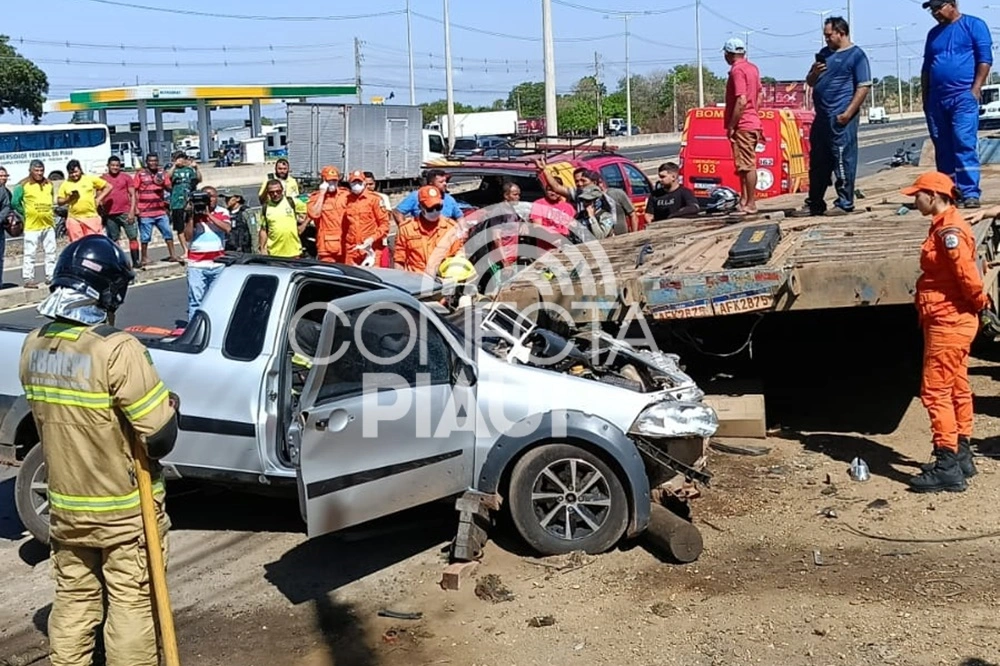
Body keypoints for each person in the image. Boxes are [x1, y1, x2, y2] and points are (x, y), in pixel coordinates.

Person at [19, 235, 179, 666]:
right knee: (131, 600)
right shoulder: (115, 348)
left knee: (73, 597)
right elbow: (160, 435)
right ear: (110, 291)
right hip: (123, 509)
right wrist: (170, 406)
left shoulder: (33, 344)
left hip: (66, 507)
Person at [903, 172, 989, 493]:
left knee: (935, 391)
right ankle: (961, 452)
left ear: (934, 196)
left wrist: (978, 303)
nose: (914, 201)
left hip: (947, 320)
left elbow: (968, 277)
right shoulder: (945, 225)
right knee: (956, 386)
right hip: (951, 319)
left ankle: (946, 464)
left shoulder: (949, 231)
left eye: (918, 195)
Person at [922, 0, 993, 208]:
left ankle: (970, 192)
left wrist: (975, 89)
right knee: (942, 146)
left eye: (938, 8)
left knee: (963, 142)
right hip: (937, 99)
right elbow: (926, 68)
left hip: (962, 96)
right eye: (932, 10)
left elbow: (985, 59)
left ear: (952, 4)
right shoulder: (933, 34)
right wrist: (926, 98)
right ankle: (949, 191)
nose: (935, 13)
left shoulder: (973, 25)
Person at [802, 16, 872, 217]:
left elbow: (863, 86)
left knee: (842, 159)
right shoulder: (824, 54)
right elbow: (810, 81)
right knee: (818, 161)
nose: (826, 39)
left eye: (829, 35)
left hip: (841, 117)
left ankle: (844, 202)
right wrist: (814, 72)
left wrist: (848, 113)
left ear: (841, 33)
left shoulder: (856, 55)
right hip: (822, 117)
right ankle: (815, 202)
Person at [723, 37, 763, 215]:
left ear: (729, 54)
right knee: (742, 165)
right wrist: (754, 111)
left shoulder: (737, 71)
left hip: (743, 124)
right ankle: (744, 200)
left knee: (747, 165)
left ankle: (751, 203)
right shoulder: (752, 68)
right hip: (752, 121)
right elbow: (759, 95)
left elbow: (741, 99)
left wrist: (732, 125)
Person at [394, 185, 465, 275]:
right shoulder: (406, 229)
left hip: (443, 281)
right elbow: (399, 259)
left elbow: (459, 254)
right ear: (420, 207)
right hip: (416, 280)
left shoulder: (451, 228)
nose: (435, 211)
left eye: (438, 207)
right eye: (430, 209)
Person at [184, 186, 231, 321]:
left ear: (216, 198)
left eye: (212, 196)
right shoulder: (192, 214)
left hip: (217, 264)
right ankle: (194, 330)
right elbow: (188, 237)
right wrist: (192, 217)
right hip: (197, 265)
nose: (209, 199)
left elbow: (227, 228)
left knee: (217, 299)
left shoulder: (222, 212)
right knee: (196, 300)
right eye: (206, 196)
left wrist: (208, 215)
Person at [132, 154, 183, 268]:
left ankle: (172, 255)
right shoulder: (140, 174)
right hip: (145, 211)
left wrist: (167, 182)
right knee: (145, 237)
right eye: (150, 161)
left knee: (168, 233)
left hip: (160, 210)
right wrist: (135, 207)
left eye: (155, 161)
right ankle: (144, 257)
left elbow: (169, 188)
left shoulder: (162, 173)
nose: (153, 163)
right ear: (147, 162)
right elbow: (134, 191)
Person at [19, 160, 57, 288]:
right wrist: (25, 212)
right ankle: (28, 278)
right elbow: (15, 202)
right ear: (30, 170)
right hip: (32, 225)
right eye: (36, 171)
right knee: (30, 253)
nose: (39, 173)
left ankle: (51, 276)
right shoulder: (23, 185)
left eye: (41, 170)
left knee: (51, 251)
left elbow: (51, 198)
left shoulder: (49, 184)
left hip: (48, 224)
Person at [341, 170, 390, 267]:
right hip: (352, 248)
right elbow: (344, 226)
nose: (357, 185)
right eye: (354, 182)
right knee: (351, 279)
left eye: (359, 182)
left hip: (371, 248)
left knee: (371, 278)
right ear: (349, 184)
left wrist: (372, 238)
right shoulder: (346, 200)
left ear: (364, 183)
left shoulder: (374, 199)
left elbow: (385, 225)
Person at [57, 159, 111, 241]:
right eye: (71, 173)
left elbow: (108, 187)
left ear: (80, 170)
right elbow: (59, 201)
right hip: (74, 218)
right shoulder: (65, 184)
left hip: (91, 216)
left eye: (76, 172)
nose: (74, 175)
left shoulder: (89, 179)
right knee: (77, 244)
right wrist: (68, 199)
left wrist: (98, 199)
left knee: (94, 242)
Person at [100, 156, 140, 267]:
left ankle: (136, 261)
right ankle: (120, 262)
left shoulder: (126, 177)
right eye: (112, 165)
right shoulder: (102, 178)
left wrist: (132, 211)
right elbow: (98, 195)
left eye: (117, 165)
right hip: (110, 214)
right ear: (108, 166)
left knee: (132, 237)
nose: (115, 167)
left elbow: (132, 195)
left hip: (125, 212)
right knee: (114, 240)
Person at [393, 169, 464, 227]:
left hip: (442, 239)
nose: (445, 184)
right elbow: (397, 212)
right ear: (431, 183)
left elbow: (460, 217)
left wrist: (463, 232)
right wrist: (404, 229)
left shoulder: (449, 199)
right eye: (441, 182)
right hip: (421, 238)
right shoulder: (416, 195)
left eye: (445, 181)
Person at [259, 178, 309, 258]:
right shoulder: (266, 207)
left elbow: (311, 211)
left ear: (282, 190)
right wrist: (262, 248)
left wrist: (303, 225)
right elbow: (263, 230)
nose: (275, 194)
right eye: (272, 192)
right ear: (268, 193)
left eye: (278, 191)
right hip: (275, 254)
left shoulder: (292, 202)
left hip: (294, 252)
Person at [306, 166, 345, 263]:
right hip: (327, 248)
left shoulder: (345, 195)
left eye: (334, 181)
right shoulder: (315, 197)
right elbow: (314, 214)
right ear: (323, 181)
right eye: (329, 181)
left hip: (345, 245)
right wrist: (322, 194)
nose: (332, 183)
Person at [165, 152, 201, 255]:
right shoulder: (172, 170)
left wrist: (196, 168)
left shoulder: (189, 170)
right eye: (178, 159)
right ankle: (185, 250)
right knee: (179, 227)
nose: (180, 161)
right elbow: (167, 177)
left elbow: (198, 179)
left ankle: (193, 246)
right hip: (176, 202)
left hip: (189, 201)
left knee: (191, 223)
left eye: (182, 159)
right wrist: (174, 166)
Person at [365, 171, 394, 267]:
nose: (368, 187)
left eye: (371, 184)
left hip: (381, 241)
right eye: (365, 184)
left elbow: (386, 219)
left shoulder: (382, 197)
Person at [0, 166, 10, 280]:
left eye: (5, 176)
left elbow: (6, 207)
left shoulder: (4, 191)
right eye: (1, 176)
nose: (3, 178)